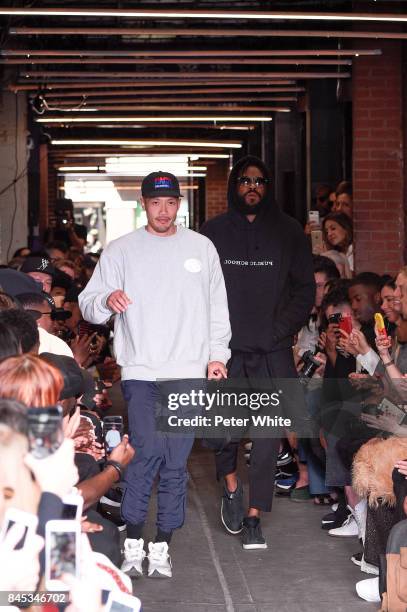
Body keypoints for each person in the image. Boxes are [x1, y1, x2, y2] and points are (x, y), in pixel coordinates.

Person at [79, 170, 231, 578]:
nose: (163, 211)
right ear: (143, 204)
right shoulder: (122, 250)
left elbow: (218, 308)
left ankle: (162, 543)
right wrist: (107, 298)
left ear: (178, 205)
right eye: (155, 203)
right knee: (145, 455)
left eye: (170, 203)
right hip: (142, 370)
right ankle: (132, 539)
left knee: (175, 462)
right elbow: (89, 303)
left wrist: (218, 356)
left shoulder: (201, 247)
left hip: (188, 371)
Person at [200, 155, 315, 549]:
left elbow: (305, 291)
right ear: (235, 186)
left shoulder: (289, 232)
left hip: (272, 351)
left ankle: (254, 516)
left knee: (267, 438)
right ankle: (231, 486)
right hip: (225, 352)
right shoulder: (212, 232)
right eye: (245, 181)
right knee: (223, 432)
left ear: (268, 187)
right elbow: (198, 292)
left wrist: (278, 331)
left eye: (260, 181)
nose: (252, 187)